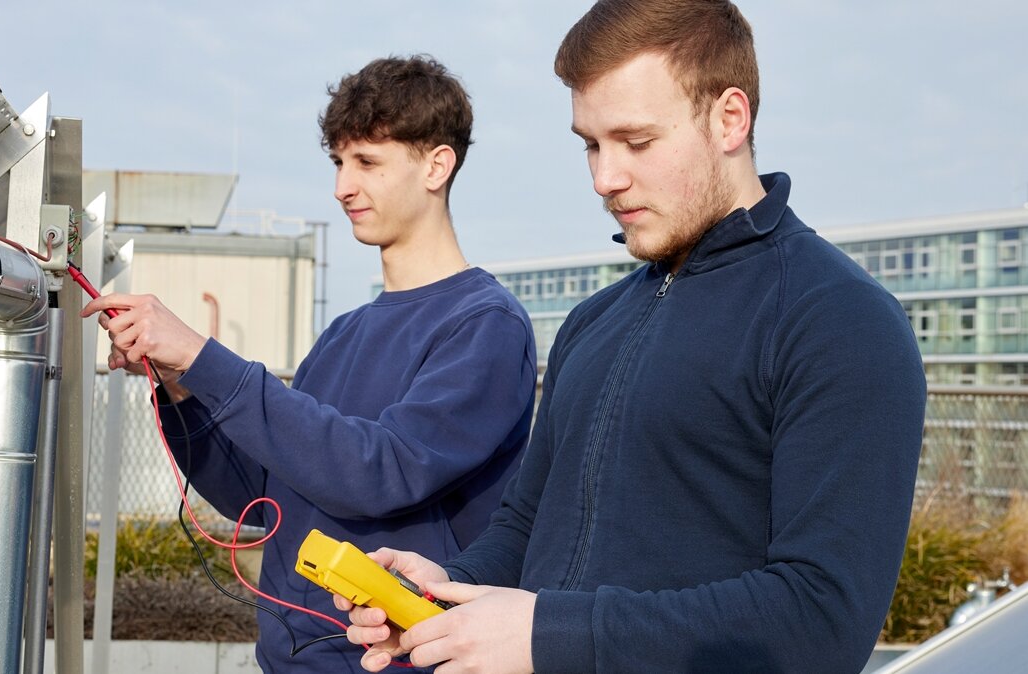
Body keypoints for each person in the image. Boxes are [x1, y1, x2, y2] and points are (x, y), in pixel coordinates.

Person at [338, 2, 927, 672]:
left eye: (636, 142)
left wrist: (548, 635)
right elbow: (525, 531)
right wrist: (437, 597)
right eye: (591, 143)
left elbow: (822, 619)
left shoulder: (839, 319)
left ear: (729, 119)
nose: (604, 178)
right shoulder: (592, 322)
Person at [81, 55, 537, 673]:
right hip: (286, 660)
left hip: (396, 663)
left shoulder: (485, 325)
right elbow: (260, 496)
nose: (342, 186)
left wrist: (200, 355)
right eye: (339, 162)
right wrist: (182, 385)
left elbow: (382, 470)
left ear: (437, 164)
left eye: (367, 163)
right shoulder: (344, 332)